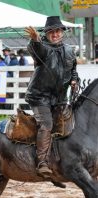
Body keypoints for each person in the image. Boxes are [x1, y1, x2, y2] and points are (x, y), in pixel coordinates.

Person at [24, 16, 79, 178]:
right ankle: (42, 162)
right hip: (39, 97)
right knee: (46, 125)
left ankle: (64, 157)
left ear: (62, 32)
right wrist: (35, 40)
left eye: (57, 31)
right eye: (51, 32)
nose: (55, 34)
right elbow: (36, 51)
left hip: (59, 98)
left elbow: (73, 69)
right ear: (46, 34)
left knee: (67, 123)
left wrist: (74, 80)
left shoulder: (69, 51)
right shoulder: (43, 49)